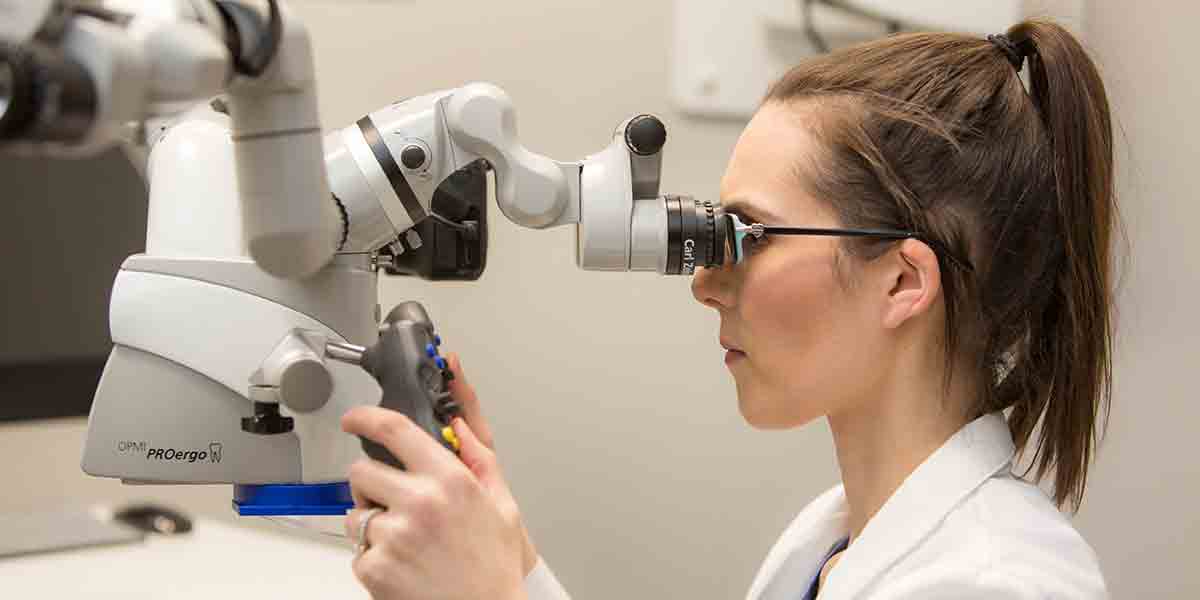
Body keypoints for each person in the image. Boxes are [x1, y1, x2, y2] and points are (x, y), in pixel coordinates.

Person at [338, 18, 1116, 599]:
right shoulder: (831, 543)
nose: (706, 282)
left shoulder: (996, 584)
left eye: (749, 235)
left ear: (904, 283)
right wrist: (506, 555)